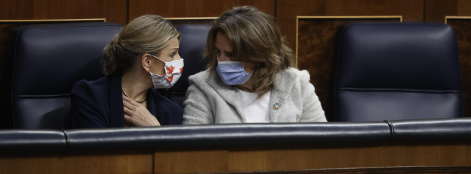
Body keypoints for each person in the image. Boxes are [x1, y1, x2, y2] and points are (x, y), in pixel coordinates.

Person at [182, 6, 327, 124]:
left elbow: (319, 143)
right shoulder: (203, 86)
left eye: (231, 54)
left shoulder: (297, 83)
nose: (221, 60)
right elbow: (194, 151)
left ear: (259, 55)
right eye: (218, 51)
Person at [71, 14, 183, 128]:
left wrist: (155, 130)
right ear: (147, 61)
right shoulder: (89, 96)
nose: (179, 60)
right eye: (172, 54)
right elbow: (96, 145)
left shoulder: (172, 112)